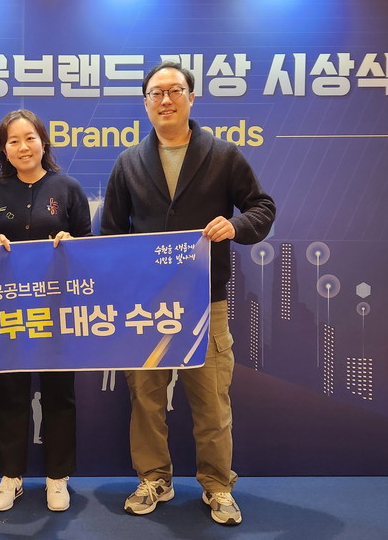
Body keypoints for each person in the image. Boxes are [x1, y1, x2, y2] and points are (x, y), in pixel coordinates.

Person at [100, 61, 275, 526]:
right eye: (156, 93)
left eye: (175, 90)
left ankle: (218, 486)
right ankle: (154, 478)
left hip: (204, 301)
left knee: (212, 401)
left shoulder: (223, 155)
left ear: (191, 98)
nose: (166, 100)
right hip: (146, 306)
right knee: (146, 399)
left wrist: (234, 225)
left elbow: (262, 207)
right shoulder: (129, 162)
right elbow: (112, 233)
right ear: (145, 103)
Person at [0, 109, 92, 512]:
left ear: (43, 142)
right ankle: (11, 476)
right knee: (10, 392)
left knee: (60, 393)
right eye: (13, 140)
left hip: (57, 312)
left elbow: (89, 248)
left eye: (30, 138)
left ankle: (57, 477)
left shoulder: (68, 188)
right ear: (3, 149)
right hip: (9, 311)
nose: (22, 147)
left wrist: (72, 244)